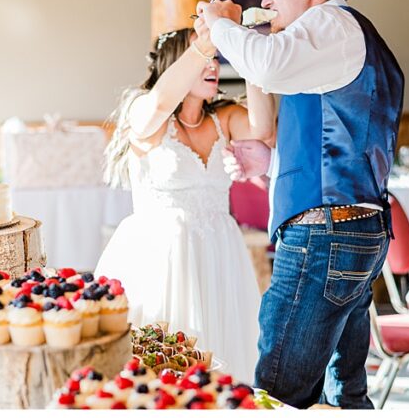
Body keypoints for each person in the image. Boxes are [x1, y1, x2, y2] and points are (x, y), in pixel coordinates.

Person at [198, 0, 404, 409]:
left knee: (279, 393)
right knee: (343, 393)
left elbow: (266, 65)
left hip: (323, 235)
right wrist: (270, 165)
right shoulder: (336, 40)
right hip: (351, 227)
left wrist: (218, 22)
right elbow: (283, 124)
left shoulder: (330, 23)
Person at [94, 20, 274, 382]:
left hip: (219, 255)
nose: (214, 65)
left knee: (224, 363)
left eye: (216, 57)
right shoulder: (146, 113)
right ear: (180, 61)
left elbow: (263, 129)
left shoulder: (223, 117)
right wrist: (203, 45)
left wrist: (250, 55)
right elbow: (161, 102)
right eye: (205, 56)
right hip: (161, 257)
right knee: (163, 365)